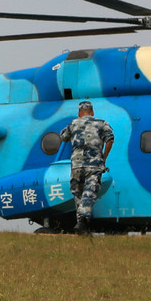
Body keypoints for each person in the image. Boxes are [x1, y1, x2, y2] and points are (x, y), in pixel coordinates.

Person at [59, 100, 114, 235]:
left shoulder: (73, 123)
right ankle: (83, 221)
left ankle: (82, 226)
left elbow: (63, 137)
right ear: (92, 112)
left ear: (79, 114)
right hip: (94, 165)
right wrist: (103, 157)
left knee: (77, 194)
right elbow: (110, 139)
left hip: (77, 165)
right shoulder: (101, 123)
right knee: (89, 192)